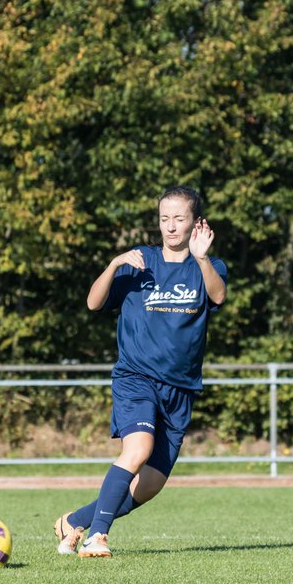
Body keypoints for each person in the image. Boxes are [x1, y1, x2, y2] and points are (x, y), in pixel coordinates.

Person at [55, 185, 227, 558]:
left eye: (179, 218)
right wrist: (115, 264)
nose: (170, 226)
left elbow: (218, 297)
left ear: (196, 223)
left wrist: (201, 259)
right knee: (138, 449)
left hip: (180, 388)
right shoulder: (139, 262)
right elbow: (93, 302)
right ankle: (96, 536)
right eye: (164, 218)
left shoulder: (209, 266)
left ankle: (74, 521)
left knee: (150, 484)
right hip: (136, 378)